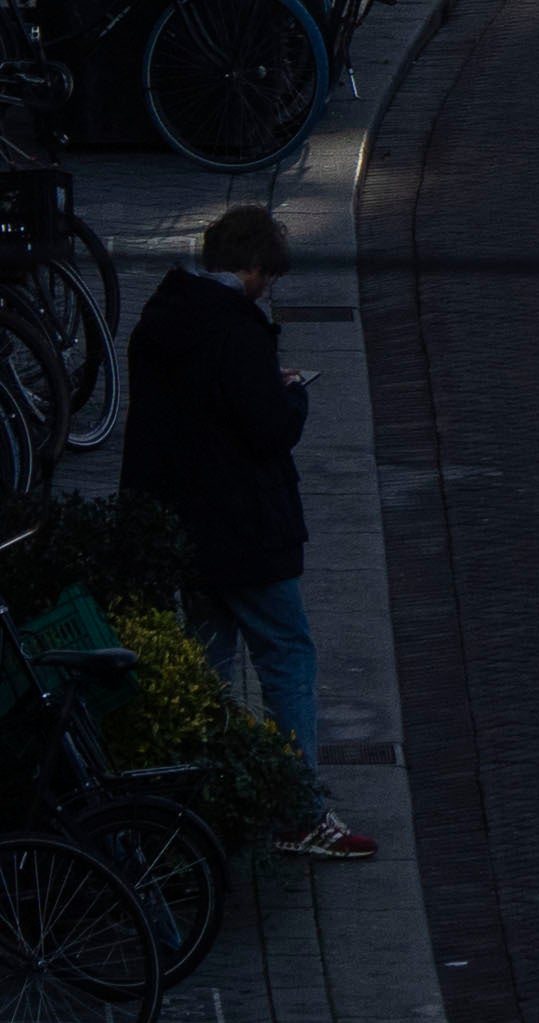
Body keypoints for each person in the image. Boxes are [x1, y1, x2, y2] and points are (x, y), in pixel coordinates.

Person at [125, 197, 365, 852]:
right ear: (255, 268)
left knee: (209, 656)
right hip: (247, 528)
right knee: (287, 654)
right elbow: (267, 430)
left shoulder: (163, 318)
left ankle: (203, 799)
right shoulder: (237, 330)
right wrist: (293, 394)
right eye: (268, 279)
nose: (268, 291)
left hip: (183, 526)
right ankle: (300, 810)